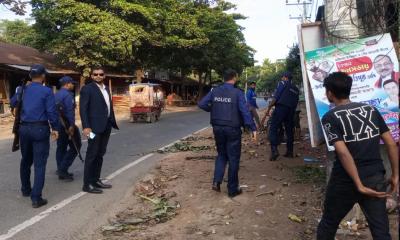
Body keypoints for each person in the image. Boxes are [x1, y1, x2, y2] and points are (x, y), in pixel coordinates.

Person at [317, 72, 398, 240]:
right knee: (381, 231)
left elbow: (342, 152)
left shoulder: (330, 117)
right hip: (375, 177)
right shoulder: (372, 110)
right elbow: (391, 143)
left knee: (328, 224)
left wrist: (358, 184)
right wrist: (396, 175)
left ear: (330, 93)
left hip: (344, 180)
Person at [198, 69, 257, 198]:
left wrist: (212, 107)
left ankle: (216, 182)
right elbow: (245, 112)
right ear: (234, 78)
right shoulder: (238, 93)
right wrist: (252, 127)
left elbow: (201, 104)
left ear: (224, 78)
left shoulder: (215, 91)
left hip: (217, 128)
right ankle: (232, 190)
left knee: (221, 155)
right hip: (232, 130)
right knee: (233, 158)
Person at [14, 64, 59, 208]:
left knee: (25, 160)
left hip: (24, 129)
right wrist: (55, 128)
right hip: (40, 128)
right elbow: (51, 112)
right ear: (43, 76)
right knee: (39, 164)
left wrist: (21, 90)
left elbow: (14, 102)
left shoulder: (22, 89)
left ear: (30, 76)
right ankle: (36, 198)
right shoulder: (46, 91)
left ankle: (26, 190)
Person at [80, 66, 118, 194]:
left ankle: (95, 180)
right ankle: (87, 184)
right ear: (91, 76)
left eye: (100, 74)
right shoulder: (87, 89)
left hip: (106, 125)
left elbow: (108, 106)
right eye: (95, 74)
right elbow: (83, 109)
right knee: (92, 154)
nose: (98, 76)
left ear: (104, 75)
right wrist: (85, 126)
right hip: (92, 128)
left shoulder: (106, 88)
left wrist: (111, 119)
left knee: (100, 153)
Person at [261, 72, 299, 161]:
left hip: (281, 108)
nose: (282, 79)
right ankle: (289, 152)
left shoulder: (282, 83)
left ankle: (274, 150)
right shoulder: (296, 89)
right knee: (289, 130)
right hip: (291, 110)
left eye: (282, 77)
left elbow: (276, 97)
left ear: (285, 78)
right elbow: (296, 102)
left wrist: (269, 107)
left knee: (273, 128)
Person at [55, 76, 81, 181]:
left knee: (61, 147)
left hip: (57, 124)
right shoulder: (68, 95)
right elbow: (70, 112)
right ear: (67, 84)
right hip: (66, 125)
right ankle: (63, 169)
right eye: (72, 83)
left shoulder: (56, 94)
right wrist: (71, 126)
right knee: (76, 146)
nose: (73, 85)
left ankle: (61, 171)